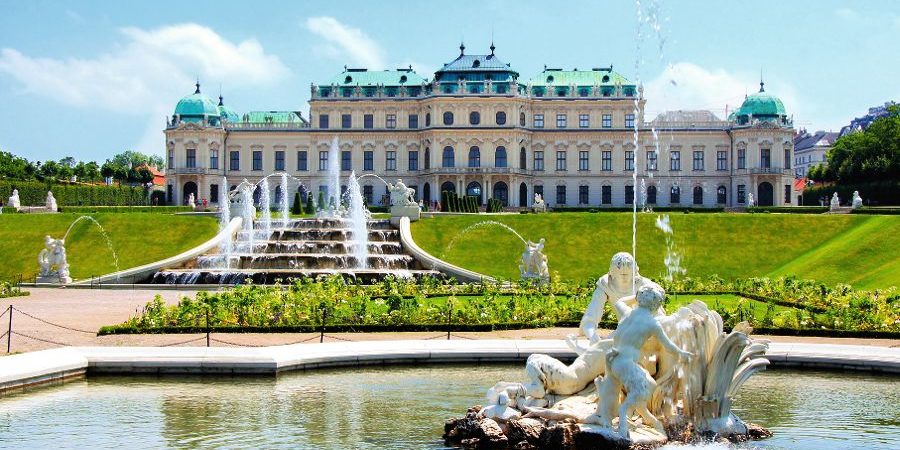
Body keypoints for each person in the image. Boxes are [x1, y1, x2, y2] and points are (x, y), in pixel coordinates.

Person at [591, 285, 692, 436]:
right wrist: (682, 353)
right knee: (642, 389)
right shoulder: (653, 324)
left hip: (612, 359)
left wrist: (636, 295)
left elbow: (619, 301)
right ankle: (623, 422)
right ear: (657, 304)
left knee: (639, 386)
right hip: (625, 363)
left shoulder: (627, 313)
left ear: (639, 298)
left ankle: (612, 416)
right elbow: (668, 346)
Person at [576, 252, 662, 346]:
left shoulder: (645, 285)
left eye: (627, 274)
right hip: (624, 332)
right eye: (621, 274)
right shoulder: (605, 285)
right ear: (612, 272)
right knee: (606, 347)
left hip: (647, 333)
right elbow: (590, 317)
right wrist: (592, 337)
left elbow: (660, 317)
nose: (624, 278)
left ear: (634, 272)